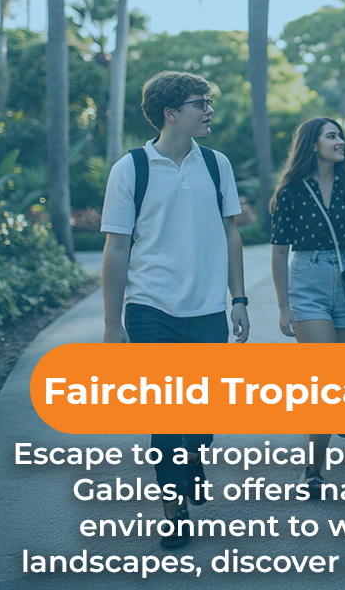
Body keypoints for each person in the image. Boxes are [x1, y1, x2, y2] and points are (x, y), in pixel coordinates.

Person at [101, 70, 249, 548]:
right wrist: (112, 323)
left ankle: (194, 452)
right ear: (171, 113)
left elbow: (232, 233)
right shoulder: (131, 170)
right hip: (151, 307)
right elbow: (116, 248)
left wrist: (239, 299)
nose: (208, 110)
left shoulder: (216, 164)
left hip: (206, 307)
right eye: (199, 103)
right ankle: (175, 509)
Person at [270, 117, 345, 495]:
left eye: (340, 135)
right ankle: (314, 470)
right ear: (313, 145)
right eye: (332, 136)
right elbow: (278, 252)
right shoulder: (291, 191)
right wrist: (283, 306)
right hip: (307, 279)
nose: (341, 141)